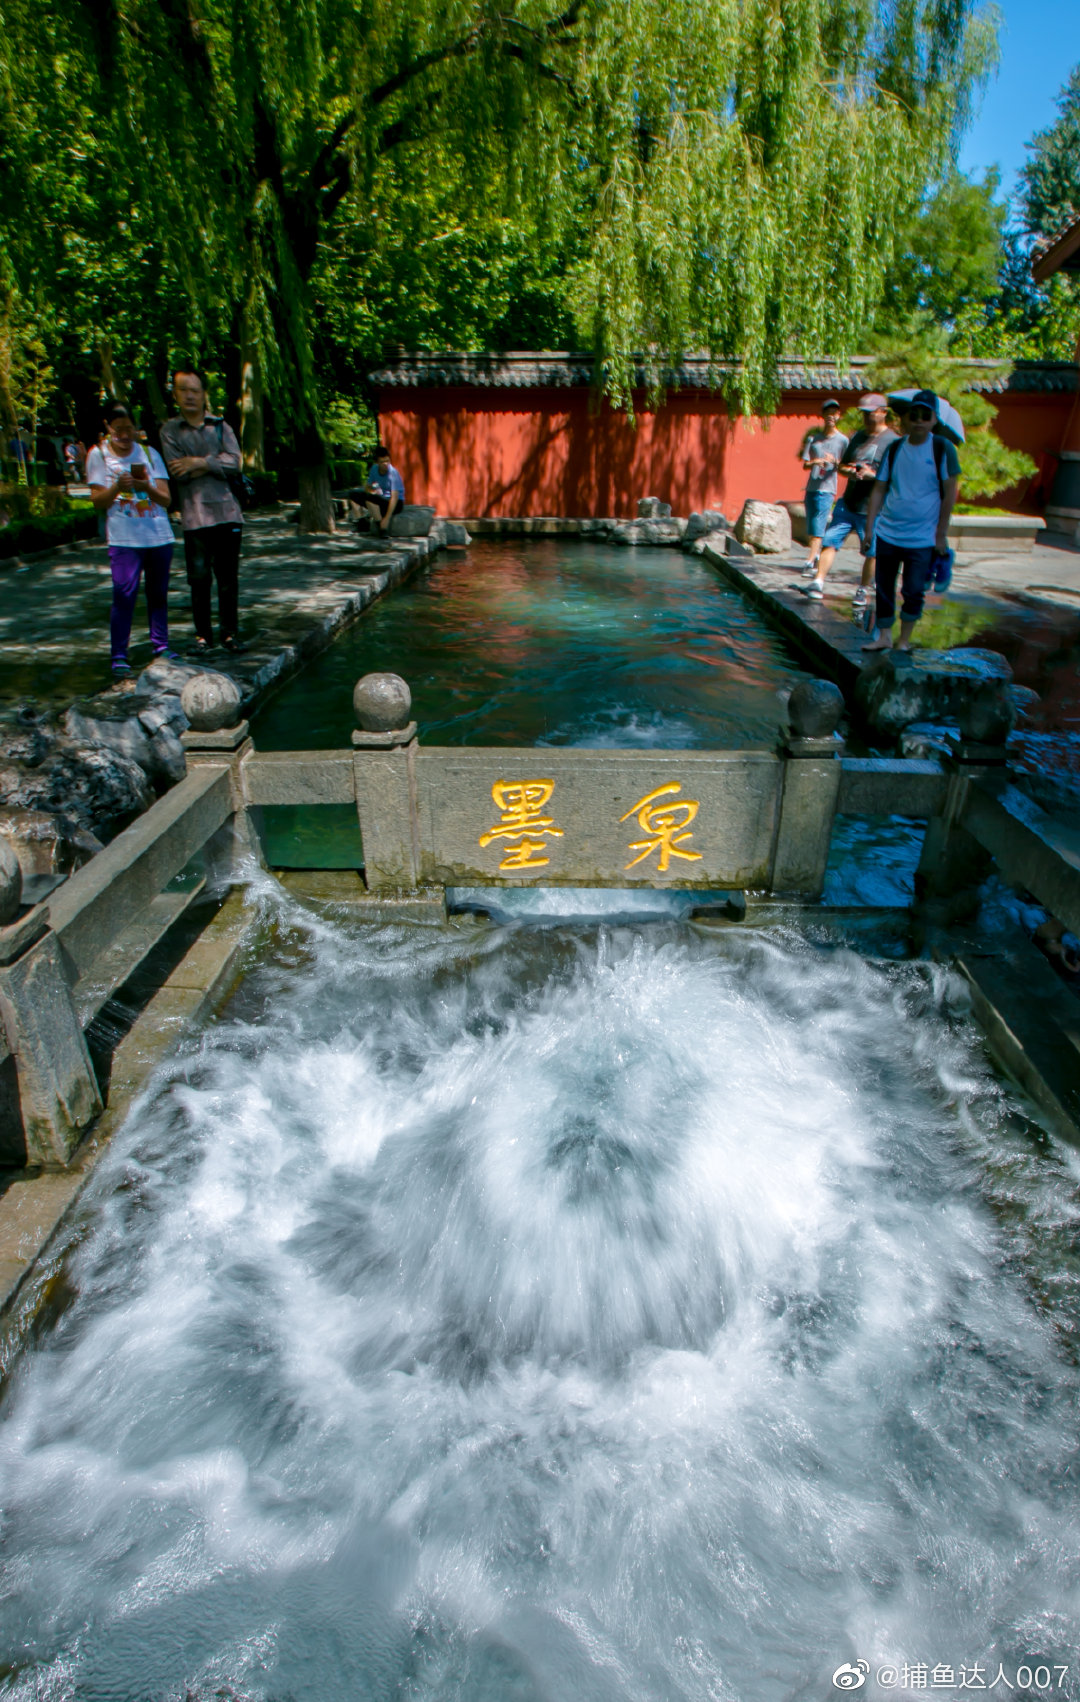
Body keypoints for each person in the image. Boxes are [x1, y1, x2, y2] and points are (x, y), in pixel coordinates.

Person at [862, 390, 960, 654]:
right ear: (905, 418)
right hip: (889, 531)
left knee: (914, 590)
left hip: (923, 536)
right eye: (913, 415)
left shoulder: (941, 449)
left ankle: (903, 639)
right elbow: (880, 488)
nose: (918, 420)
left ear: (933, 420)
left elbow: (951, 491)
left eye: (925, 415)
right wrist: (870, 527)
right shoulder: (895, 449)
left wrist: (941, 533)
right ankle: (883, 635)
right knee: (883, 586)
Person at [85, 401, 176, 677]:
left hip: (158, 535)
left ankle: (160, 646)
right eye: (119, 429)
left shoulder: (150, 453)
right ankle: (119, 655)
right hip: (124, 539)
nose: (125, 435)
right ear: (108, 428)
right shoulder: (98, 455)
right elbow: (97, 501)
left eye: (130, 429)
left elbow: (166, 498)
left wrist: (145, 485)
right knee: (124, 595)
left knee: (158, 595)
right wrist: (117, 487)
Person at [160, 366, 245, 657]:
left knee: (228, 578)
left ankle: (230, 633)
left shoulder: (221, 426)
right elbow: (177, 472)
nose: (189, 396)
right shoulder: (170, 431)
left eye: (195, 390)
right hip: (194, 516)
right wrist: (214, 464)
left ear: (204, 394)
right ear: (175, 394)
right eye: (183, 390)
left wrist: (197, 463)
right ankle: (202, 636)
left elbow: (235, 463)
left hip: (227, 512)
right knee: (198, 579)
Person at [799, 394, 897, 604]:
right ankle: (818, 582)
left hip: (873, 507)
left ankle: (863, 588)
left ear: (883, 412)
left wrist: (873, 475)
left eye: (870, 414)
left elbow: (897, 476)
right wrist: (850, 472)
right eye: (864, 414)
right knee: (830, 541)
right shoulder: (858, 437)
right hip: (849, 503)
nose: (866, 418)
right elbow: (842, 465)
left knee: (872, 552)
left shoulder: (893, 441)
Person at [797, 400, 847, 573]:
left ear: (839, 416)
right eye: (828, 413)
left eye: (834, 413)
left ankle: (809, 561)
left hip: (827, 488)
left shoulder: (843, 441)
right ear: (823, 416)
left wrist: (835, 462)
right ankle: (816, 555)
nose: (831, 416)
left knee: (819, 525)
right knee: (812, 526)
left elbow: (846, 466)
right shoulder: (814, 439)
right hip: (812, 487)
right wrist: (815, 462)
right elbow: (805, 464)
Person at [357, 444, 405, 539]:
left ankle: (383, 528)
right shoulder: (374, 469)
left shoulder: (393, 473)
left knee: (370, 499)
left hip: (396, 503)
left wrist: (387, 518)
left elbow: (394, 497)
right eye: (382, 462)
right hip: (382, 499)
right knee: (362, 496)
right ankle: (380, 526)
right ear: (377, 463)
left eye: (387, 461)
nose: (386, 464)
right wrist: (372, 491)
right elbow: (367, 487)